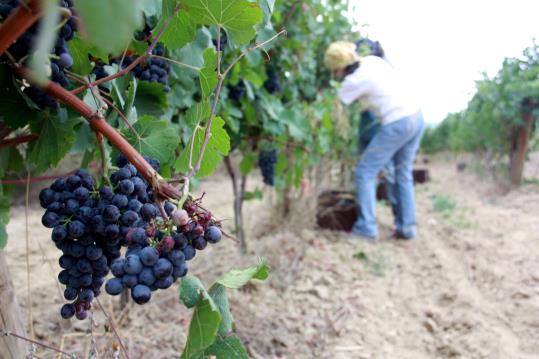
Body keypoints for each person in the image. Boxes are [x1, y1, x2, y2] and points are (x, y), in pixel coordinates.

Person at [324, 40, 425, 240]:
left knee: (364, 172)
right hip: (417, 116)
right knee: (402, 173)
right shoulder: (372, 61)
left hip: (397, 122)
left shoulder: (352, 83)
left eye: (334, 71)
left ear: (340, 68)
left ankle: (366, 228)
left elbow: (333, 106)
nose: (334, 75)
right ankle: (407, 228)